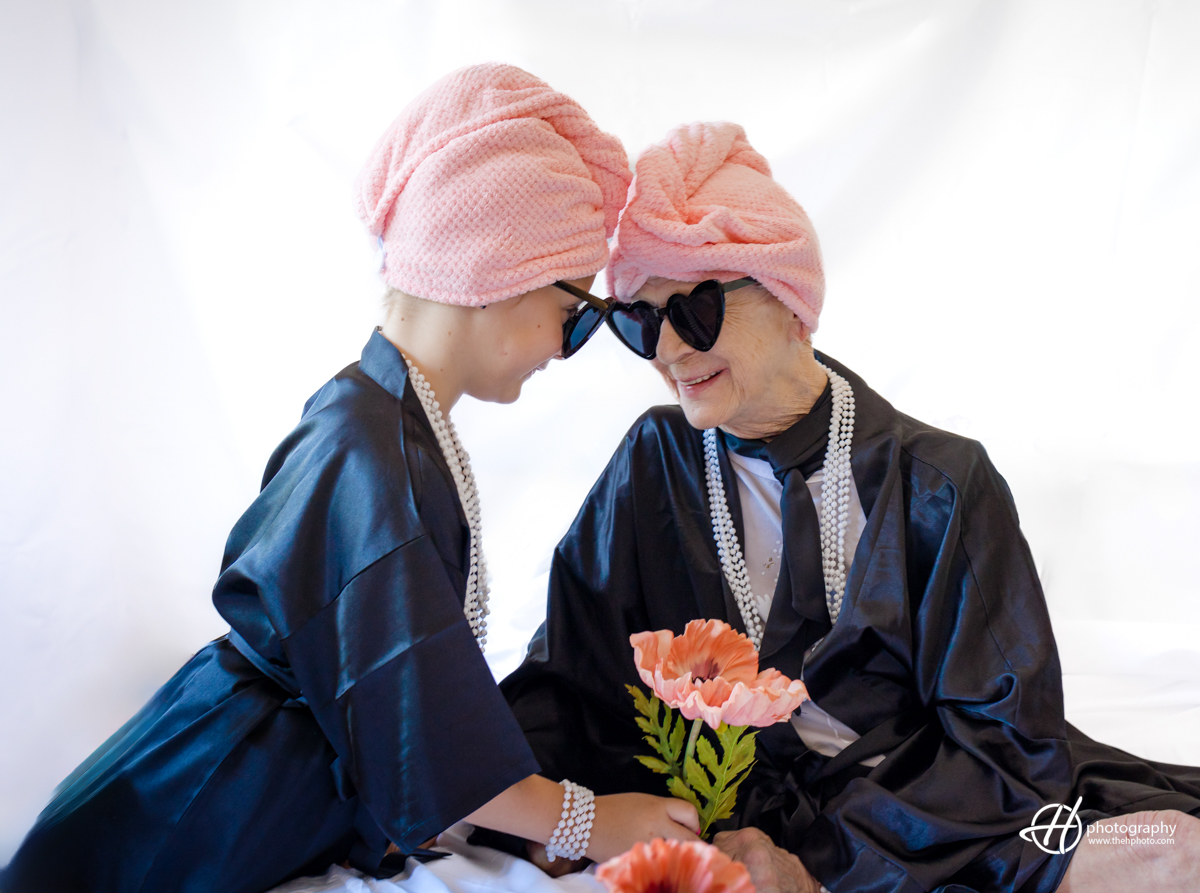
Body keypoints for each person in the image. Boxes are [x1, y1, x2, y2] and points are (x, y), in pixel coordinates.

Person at [0, 64, 699, 893]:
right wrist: (596, 817)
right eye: (573, 310)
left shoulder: (380, 421)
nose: (565, 342)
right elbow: (429, 730)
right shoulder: (369, 454)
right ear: (493, 272)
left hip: (239, 792)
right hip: (193, 816)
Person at [500, 121, 1200, 892]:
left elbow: (1004, 749)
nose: (670, 351)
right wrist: (517, 803)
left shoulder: (942, 481)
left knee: (1165, 848)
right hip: (747, 810)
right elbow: (572, 667)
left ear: (791, 303)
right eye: (643, 322)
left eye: (696, 310)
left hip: (935, 812)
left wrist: (827, 860)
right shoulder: (655, 460)